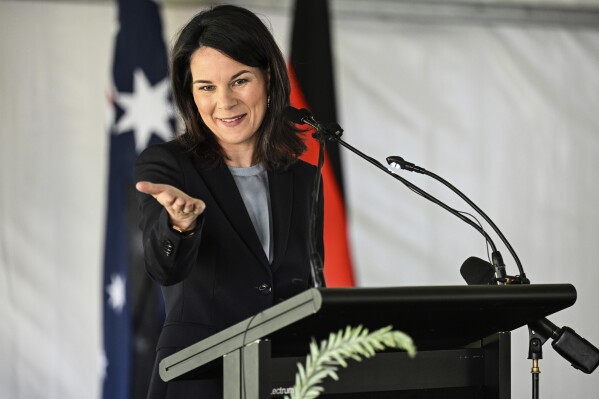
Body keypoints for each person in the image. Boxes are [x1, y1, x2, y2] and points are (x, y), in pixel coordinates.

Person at [134, 4, 324, 398]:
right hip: (198, 378)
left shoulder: (304, 179)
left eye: (240, 81)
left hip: (286, 377)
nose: (224, 102)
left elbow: (308, 285)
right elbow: (162, 266)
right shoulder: (167, 165)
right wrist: (180, 225)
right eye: (206, 87)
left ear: (268, 78)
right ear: (190, 92)